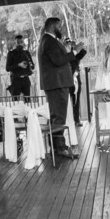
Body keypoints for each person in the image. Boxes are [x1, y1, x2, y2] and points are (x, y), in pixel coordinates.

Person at [38, 17, 83, 159]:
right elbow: (58, 60)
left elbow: (58, 58)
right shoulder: (49, 42)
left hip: (55, 84)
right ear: (53, 27)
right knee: (59, 117)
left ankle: (56, 147)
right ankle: (61, 148)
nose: (61, 29)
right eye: (59, 26)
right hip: (57, 84)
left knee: (56, 116)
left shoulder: (48, 40)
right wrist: (74, 51)